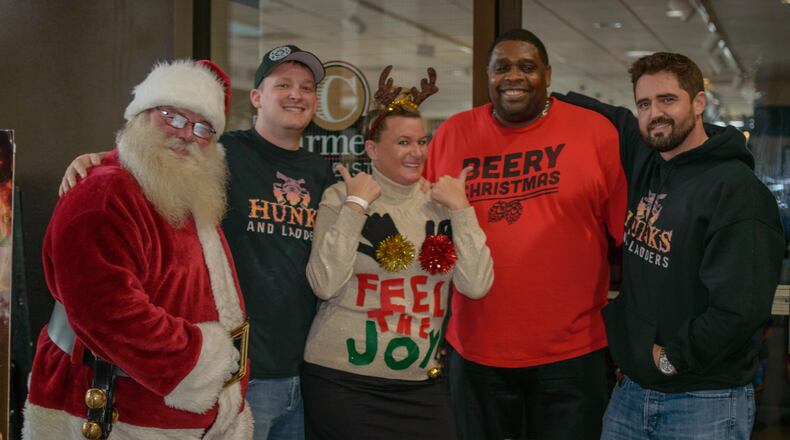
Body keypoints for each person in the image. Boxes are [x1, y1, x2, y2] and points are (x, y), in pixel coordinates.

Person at [58, 45, 334, 440]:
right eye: (283, 84)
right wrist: (100, 160)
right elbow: (155, 156)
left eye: (307, 87)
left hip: (301, 369)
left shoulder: (321, 173)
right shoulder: (223, 152)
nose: (296, 94)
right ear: (256, 98)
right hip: (237, 372)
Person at [555, 52, 785, 439]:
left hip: (704, 400)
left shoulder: (737, 192)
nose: (654, 113)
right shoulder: (647, 157)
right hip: (631, 393)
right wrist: (544, 95)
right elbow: (610, 115)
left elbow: (741, 308)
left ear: (698, 103)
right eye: (644, 103)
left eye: (667, 100)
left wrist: (670, 359)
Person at [24, 59, 253, 439]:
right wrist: (201, 361)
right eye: (173, 116)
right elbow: (107, 313)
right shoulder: (102, 193)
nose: (186, 135)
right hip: (121, 416)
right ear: (142, 113)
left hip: (178, 417)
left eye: (202, 127)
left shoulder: (185, 189)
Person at [423, 28, 627, 439]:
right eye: (502, 68)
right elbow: (429, 235)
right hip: (474, 348)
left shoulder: (595, 132)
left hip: (571, 352)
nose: (513, 76)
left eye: (527, 67)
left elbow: (625, 238)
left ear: (548, 75)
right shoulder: (452, 133)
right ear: (487, 76)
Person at [301, 66, 494, 440]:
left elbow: (477, 285)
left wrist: (462, 210)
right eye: (404, 142)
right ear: (372, 148)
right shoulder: (341, 197)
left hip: (421, 385)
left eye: (422, 142)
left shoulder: (441, 201)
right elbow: (324, 284)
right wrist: (356, 204)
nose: (416, 152)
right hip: (344, 383)